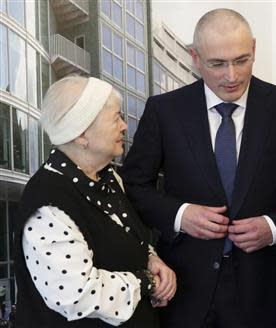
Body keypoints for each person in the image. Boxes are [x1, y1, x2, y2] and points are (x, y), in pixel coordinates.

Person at [121, 8, 276, 328]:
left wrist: (274, 227)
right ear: (195, 58)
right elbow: (133, 186)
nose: (232, 75)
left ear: (254, 49)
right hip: (184, 291)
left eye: (242, 60)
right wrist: (180, 215)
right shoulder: (164, 111)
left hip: (266, 290)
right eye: (217, 64)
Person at [14, 75, 176, 327]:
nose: (124, 126)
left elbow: (130, 235)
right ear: (81, 135)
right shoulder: (48, 203)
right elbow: (76, 295)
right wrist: (147, 281)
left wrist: (151, 258)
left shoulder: (111, 178)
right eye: (116, 118)